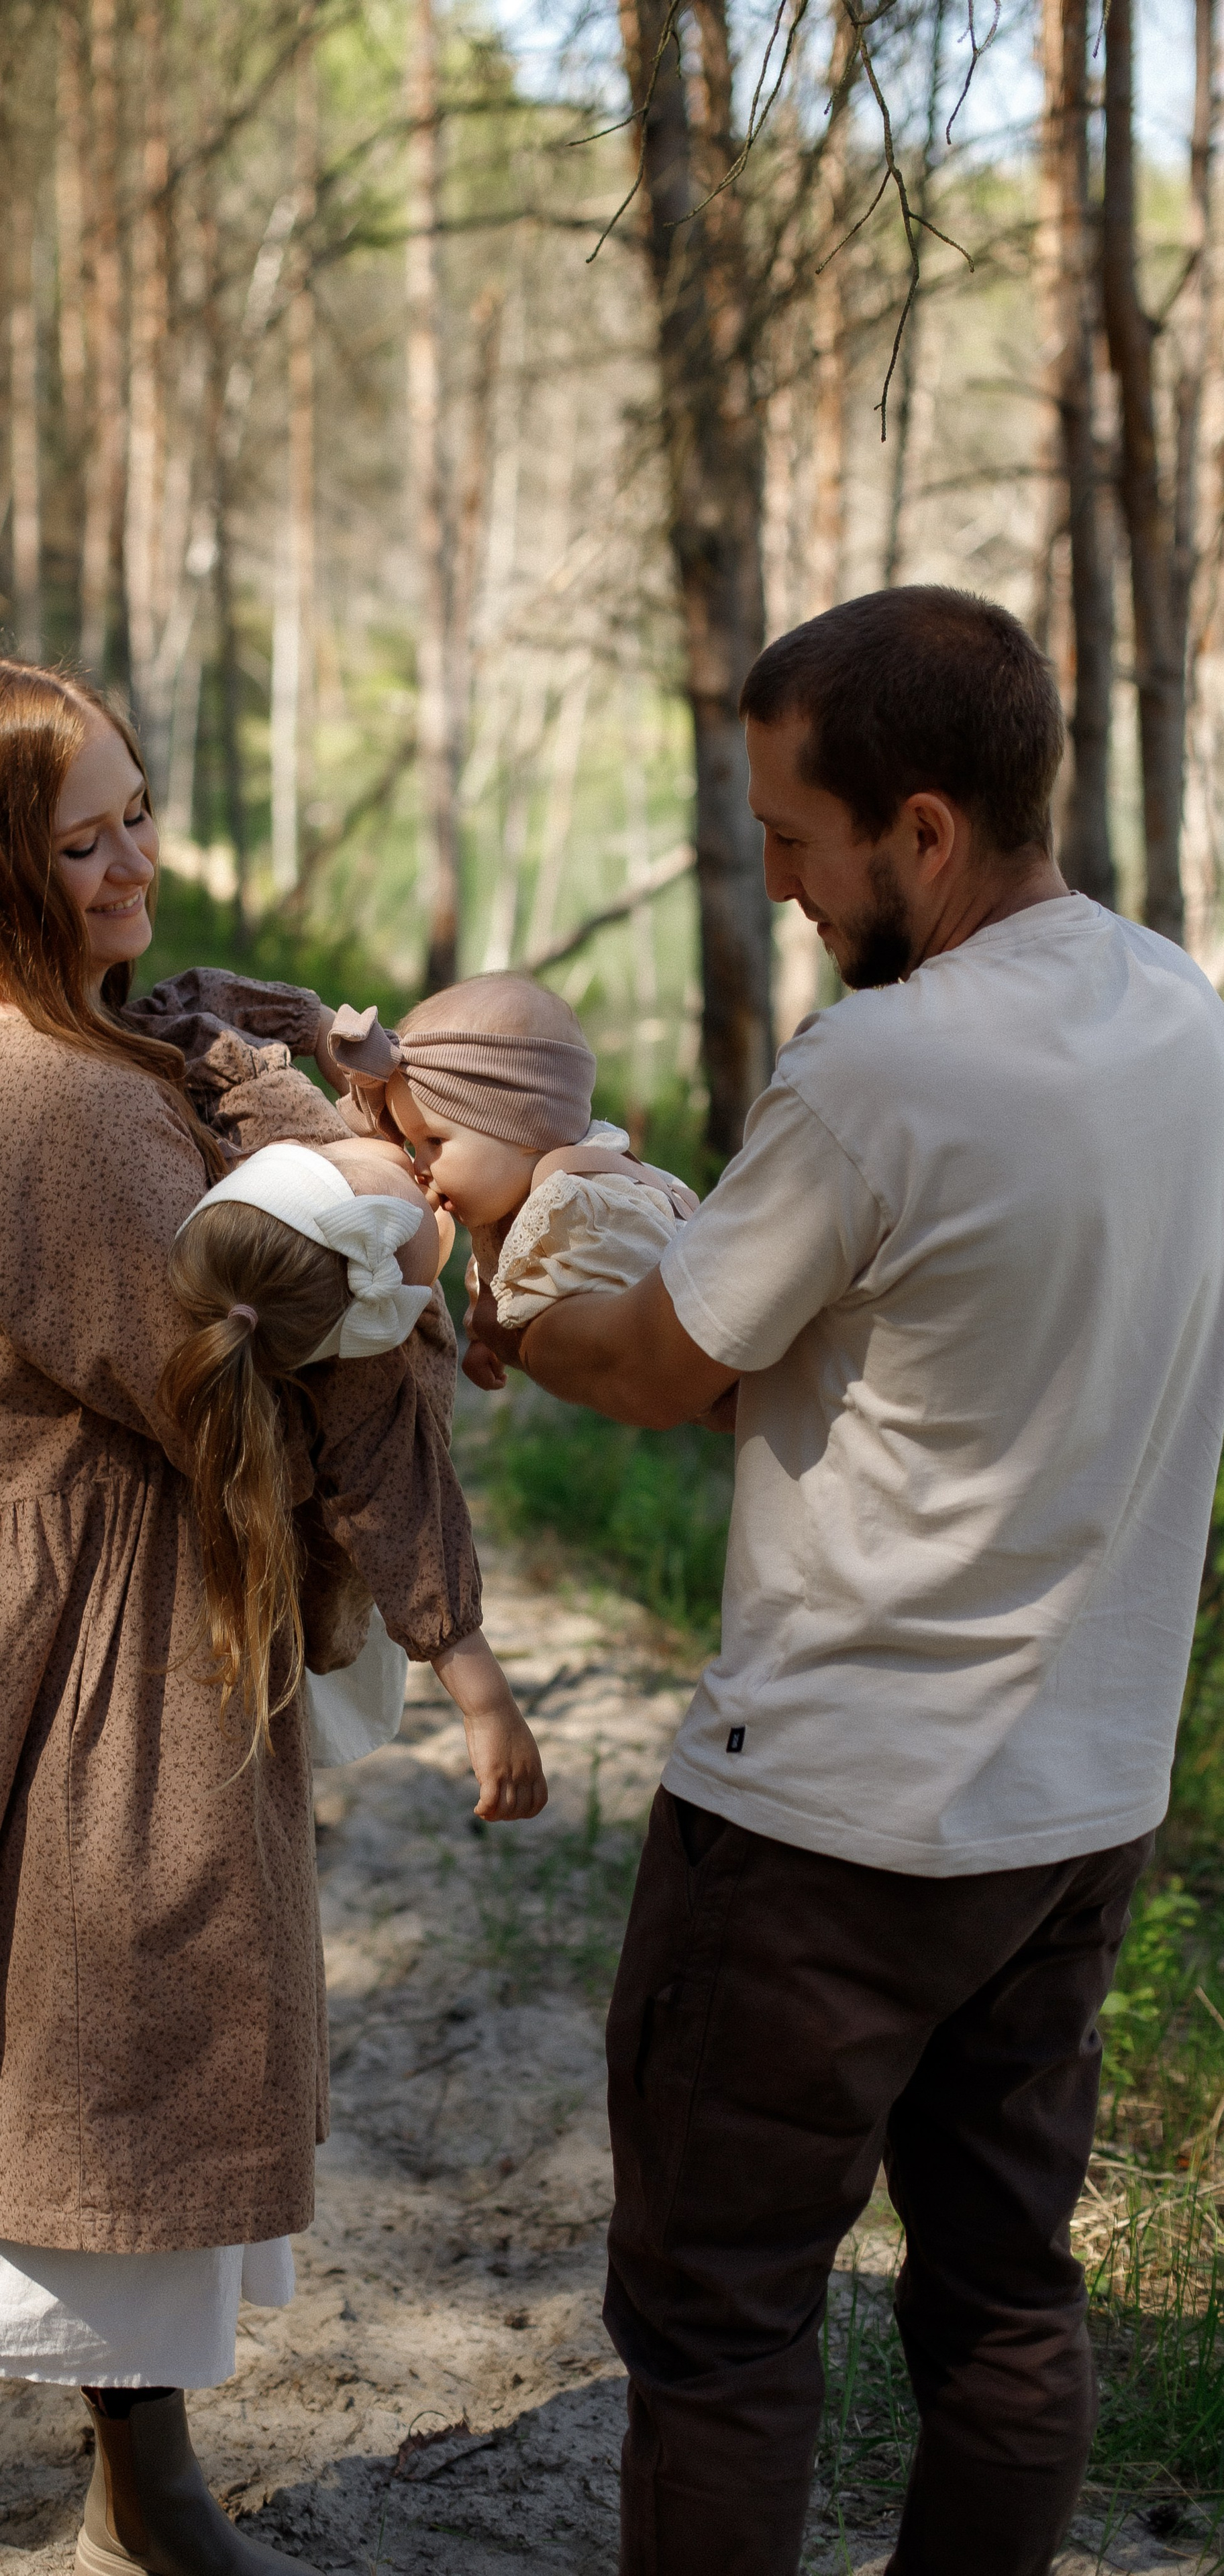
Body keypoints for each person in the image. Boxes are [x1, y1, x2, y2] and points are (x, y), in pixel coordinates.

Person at [467, 587, 1224, 2576]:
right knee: (1001, 2290)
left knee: (716, 2327)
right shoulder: (1187, 1020)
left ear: (922, 832)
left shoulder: (879, 1066)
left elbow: (653, 1362)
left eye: (798, 840)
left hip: (825, 1822)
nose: (782, 882)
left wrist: (509, 1273)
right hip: (1075, 1807)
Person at [0, 655, 531, 2576]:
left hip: (55, 1637)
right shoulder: (44, 1095)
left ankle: (148, 2488)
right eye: (85, 836)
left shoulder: (50, 1036)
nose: (137, 861)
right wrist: (394, 1230)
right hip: (53, 1688)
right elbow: (218, 1374)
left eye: (138, 811)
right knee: (38, 2098)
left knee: (106, 2068)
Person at [165, 1132, 548, 1817]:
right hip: (334, 1577)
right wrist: (488, 1707)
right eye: (419, 1211)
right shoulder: (365, 1382)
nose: (414, 1168)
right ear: (386, 1283)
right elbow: (409, 1534)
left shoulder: (270, 1235)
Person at [323, 973, 697, 1391]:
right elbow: (494, 1266)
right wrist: (486, 1337)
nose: (420, 1166)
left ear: (524, 1129)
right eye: (413, 1145)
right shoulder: (511, 1197)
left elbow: (660, 1300)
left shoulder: (585, 1205)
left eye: (434, 1141)